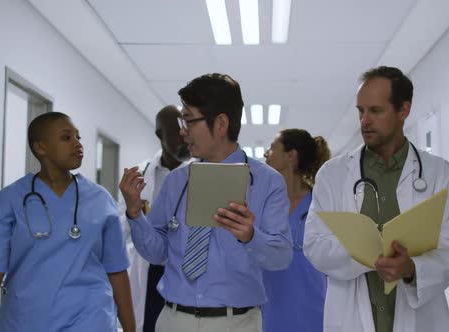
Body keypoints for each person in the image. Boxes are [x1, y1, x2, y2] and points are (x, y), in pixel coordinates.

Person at [303, 66, 449, 332]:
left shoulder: (440, 174)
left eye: (376, 111)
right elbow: (313, 245)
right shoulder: (333, 175)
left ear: (403, 111)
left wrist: (412, 269)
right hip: (350, 319)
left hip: (420, 320)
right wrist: (367, 254)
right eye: (361, 111)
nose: (364, 120)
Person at [119, 73, 292, 332]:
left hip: (237, 323)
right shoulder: (177, 181)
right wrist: (135, 213)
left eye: (189, 120)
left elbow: (281, 257)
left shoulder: (268, 183)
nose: (182, 131)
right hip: (174, 319)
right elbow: (157, 252)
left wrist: (250, 236)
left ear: (220, 123)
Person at [0, 112, 135, 332]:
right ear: (40, 148)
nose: (77, 143)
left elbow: (117, 271)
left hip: (91, 320)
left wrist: (131, 329)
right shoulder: (8, 201)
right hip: (27, 320)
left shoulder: (101, 200)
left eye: (78, 137)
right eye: (67, 138)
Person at [118, 105, 191, 332]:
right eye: (176, 133)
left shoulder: (202, 172)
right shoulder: (138, 174)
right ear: (160, 135)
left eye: (186, 130)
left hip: (185, 269)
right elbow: (121, 228)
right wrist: (134, 213)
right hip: (150, 271)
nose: (184, 137)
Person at [261, 129, 330, 332]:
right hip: (270, 315)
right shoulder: (264, 204)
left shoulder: (321, 203)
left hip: (314, 314)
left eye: (272, 148)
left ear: (290, 156)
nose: (266, 153)